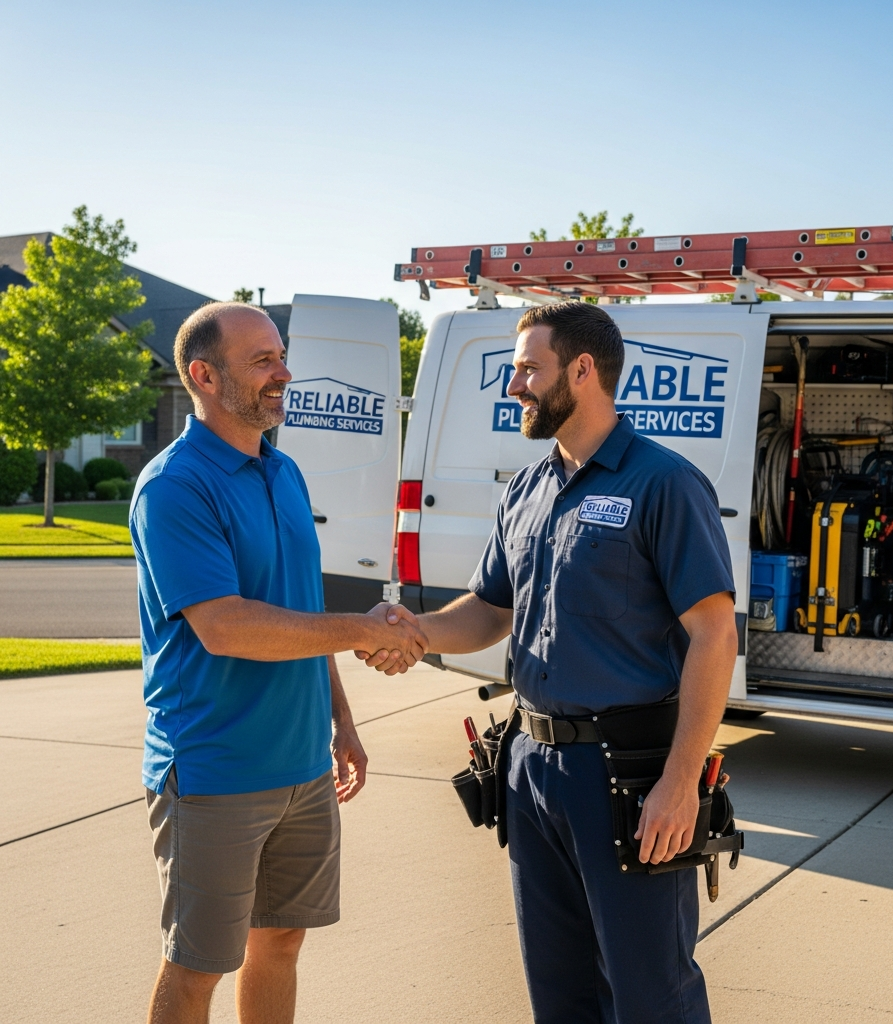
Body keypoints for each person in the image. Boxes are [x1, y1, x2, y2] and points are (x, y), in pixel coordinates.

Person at [363, 301, 737, 1023]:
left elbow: (714, 636)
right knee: (559, 992)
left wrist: (681, 781)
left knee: (650, 992)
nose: (515, 386)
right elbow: (489, 611)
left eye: (528, 369)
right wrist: (412, 634)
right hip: (531, 767)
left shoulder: (663, 484)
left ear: (583, 369)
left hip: (625, 775)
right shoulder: (527, 490)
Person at [131, 301, 425, 1024]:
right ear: (204, 376)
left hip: (301, 766)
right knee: (198, 965)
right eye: (262, 360)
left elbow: (296, 608)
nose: (284, 373)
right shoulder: (175, 486)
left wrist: (343, 722)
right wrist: (362, 628)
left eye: (281, 355)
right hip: (216, 768)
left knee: (283, 942)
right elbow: (227, 626)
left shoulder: (283, 471)